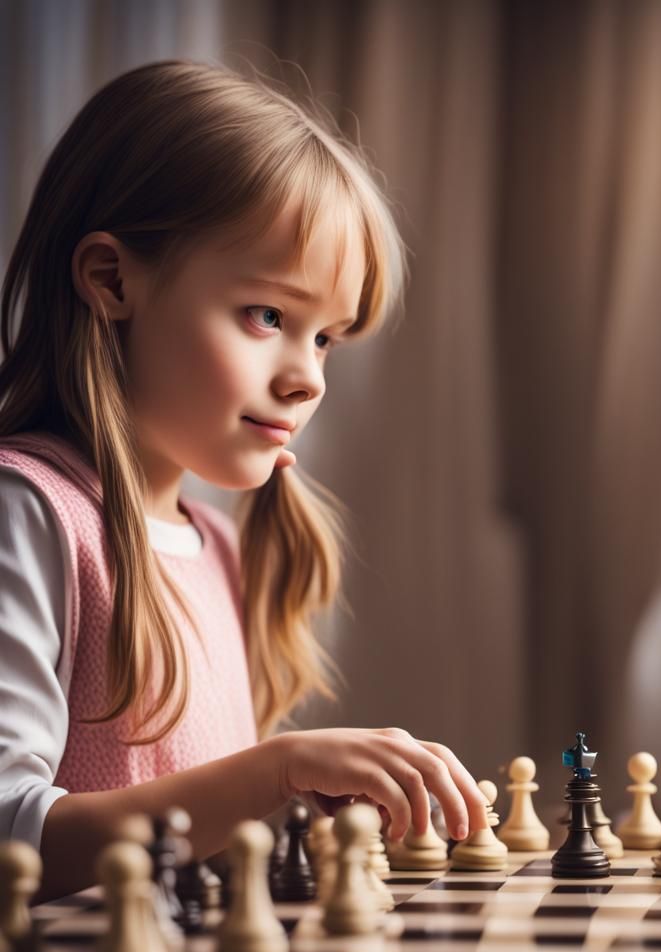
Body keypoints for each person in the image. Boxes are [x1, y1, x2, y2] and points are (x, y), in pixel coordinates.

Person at [0, 59, 488, 902]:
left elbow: (192, 834)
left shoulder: (214, 545)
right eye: (269, 316)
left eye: (327, 337)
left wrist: (293, 813)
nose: (308, 378)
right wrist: (276, 771)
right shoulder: (29, 512)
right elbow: (13, 835)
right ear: (113, 281)